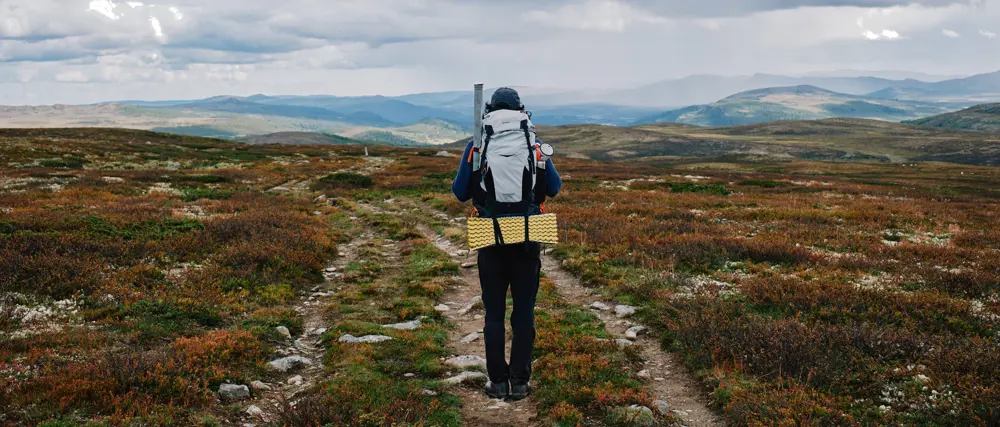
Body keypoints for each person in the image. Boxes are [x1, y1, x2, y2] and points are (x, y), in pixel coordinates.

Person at [452, 87, 562, 401]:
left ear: (490, 112)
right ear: (520, 112)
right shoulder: (534, 145)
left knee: (494, 315)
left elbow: (460, 192)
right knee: (524, 313)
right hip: (527, 239)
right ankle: (521, 382)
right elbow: (554, 188)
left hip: (490, 239)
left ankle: (498, 382)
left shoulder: (477, 145)